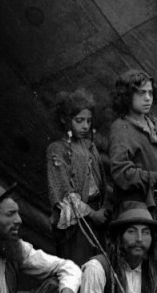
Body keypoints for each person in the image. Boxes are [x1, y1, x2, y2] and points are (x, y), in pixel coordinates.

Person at [108, 69, 157, 283]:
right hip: (135, 214)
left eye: (150, 92)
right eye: (141, 93)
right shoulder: (121, 129)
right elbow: (121, 173)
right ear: (126, 96)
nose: (148, 98)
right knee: (136, 271)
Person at [45, 88, 112, 266]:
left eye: (88, 121)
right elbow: (64, 193)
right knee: (78, 266)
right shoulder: (58, 149)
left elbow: (102, 183)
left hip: (97, 216)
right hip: (76, 222)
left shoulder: (90, 146)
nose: (85, 126)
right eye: (79, 120)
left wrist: (102, 210)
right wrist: (92, 214)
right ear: (64, 119)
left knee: (98, 267)